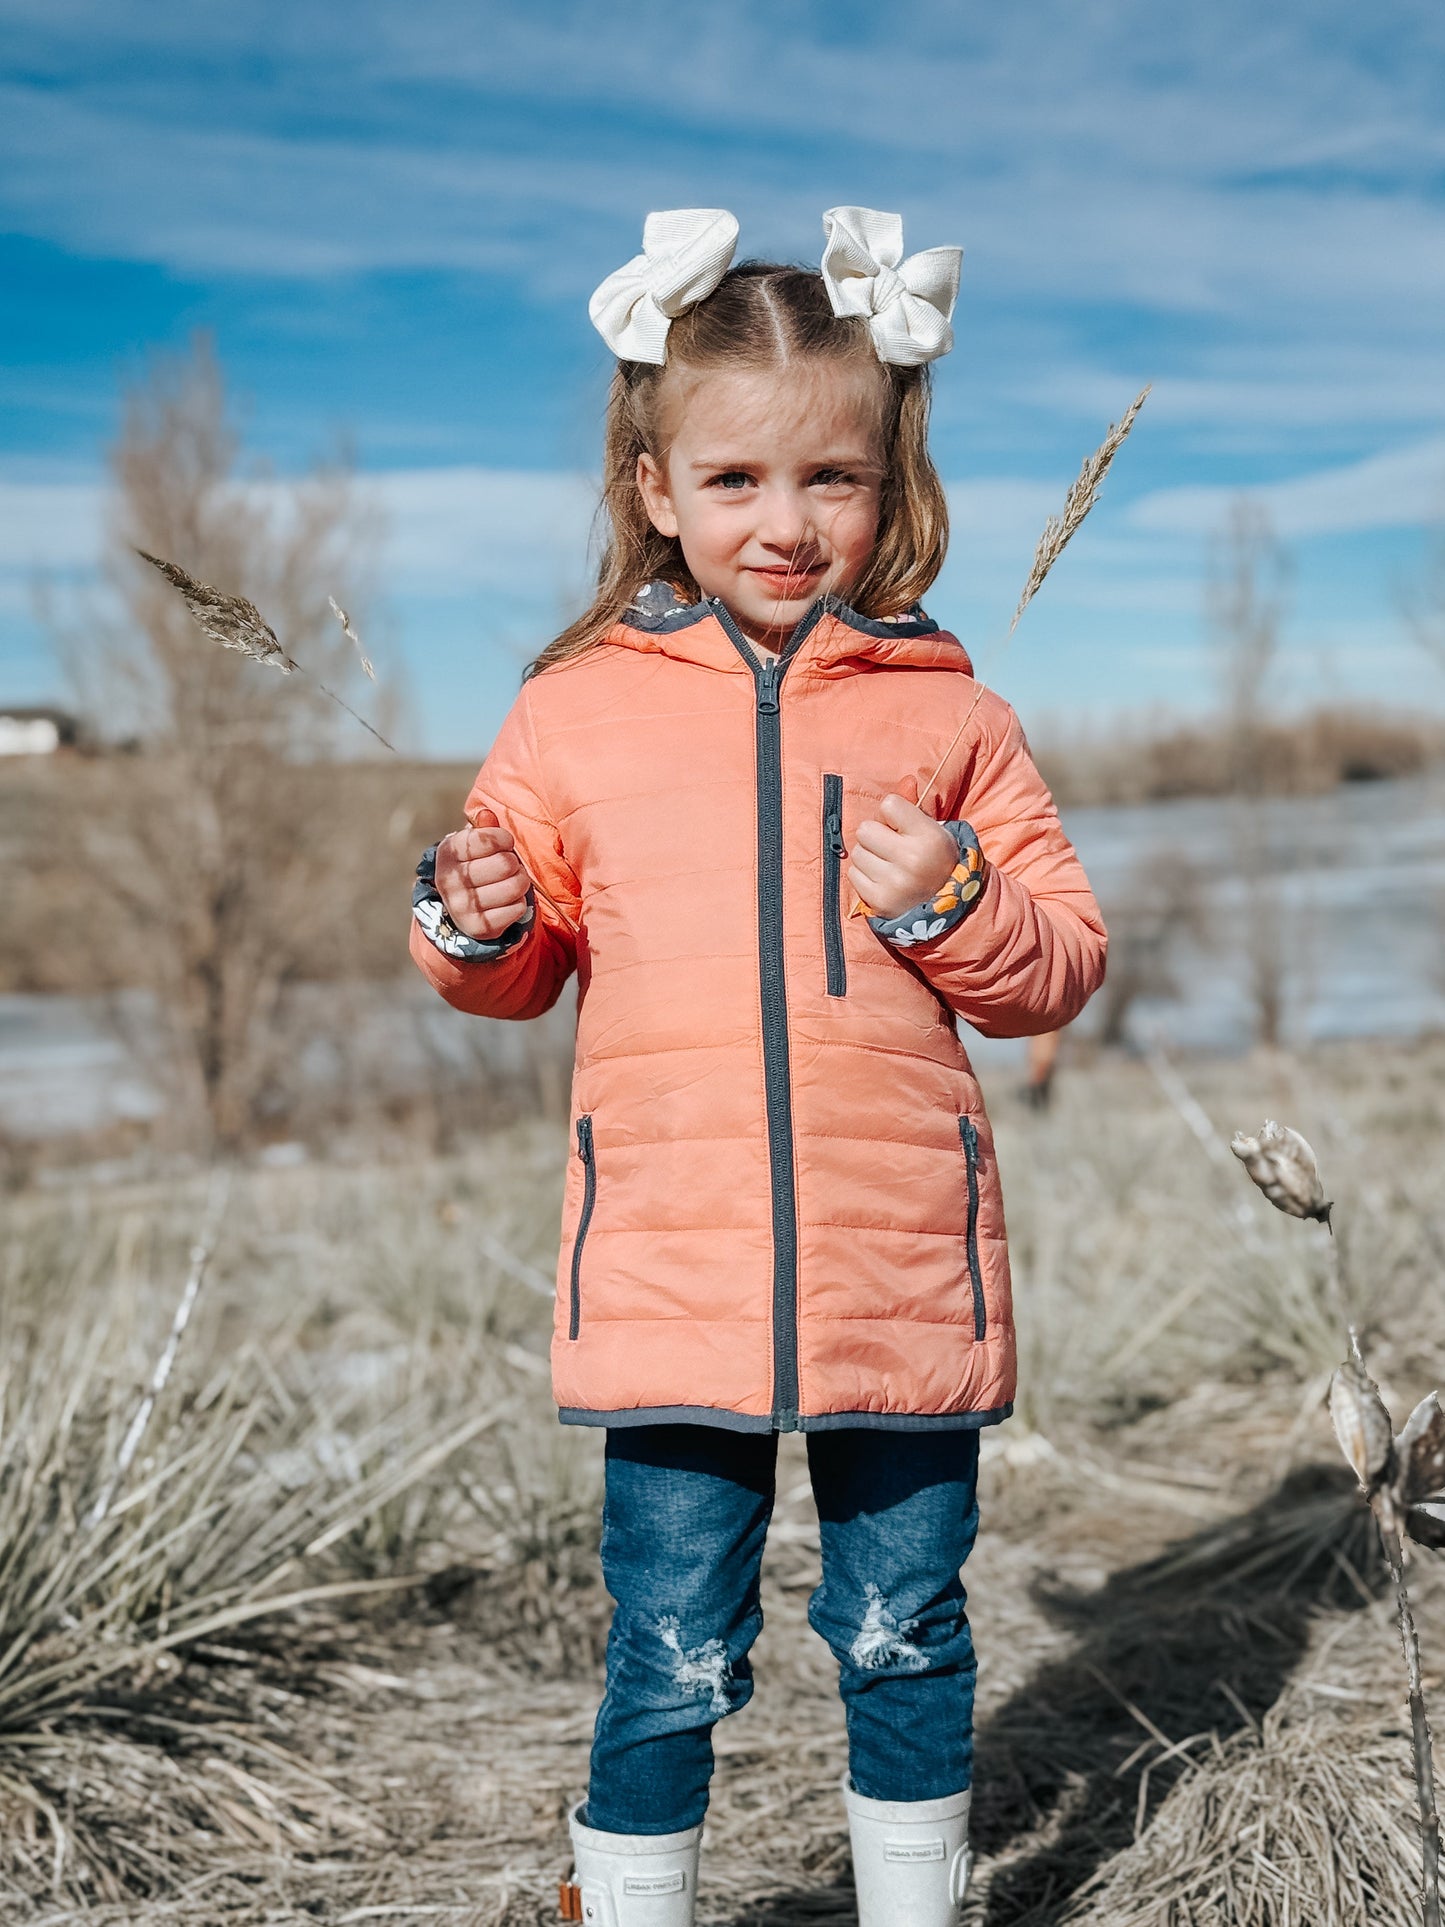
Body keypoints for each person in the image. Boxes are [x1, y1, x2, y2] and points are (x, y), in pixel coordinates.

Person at [410, 206, 1106, 1927]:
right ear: (655, 486)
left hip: (897, 1275)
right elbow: (503, 970)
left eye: (831, 481)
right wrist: (473, 914)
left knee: (904, 1633)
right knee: (660, 1653)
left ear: (889, 481)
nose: (785, 525)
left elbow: (1061, 965)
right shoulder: (570, 714)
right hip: (663, 1263)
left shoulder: (950, 712)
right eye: (732, 482)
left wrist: (954, 900)